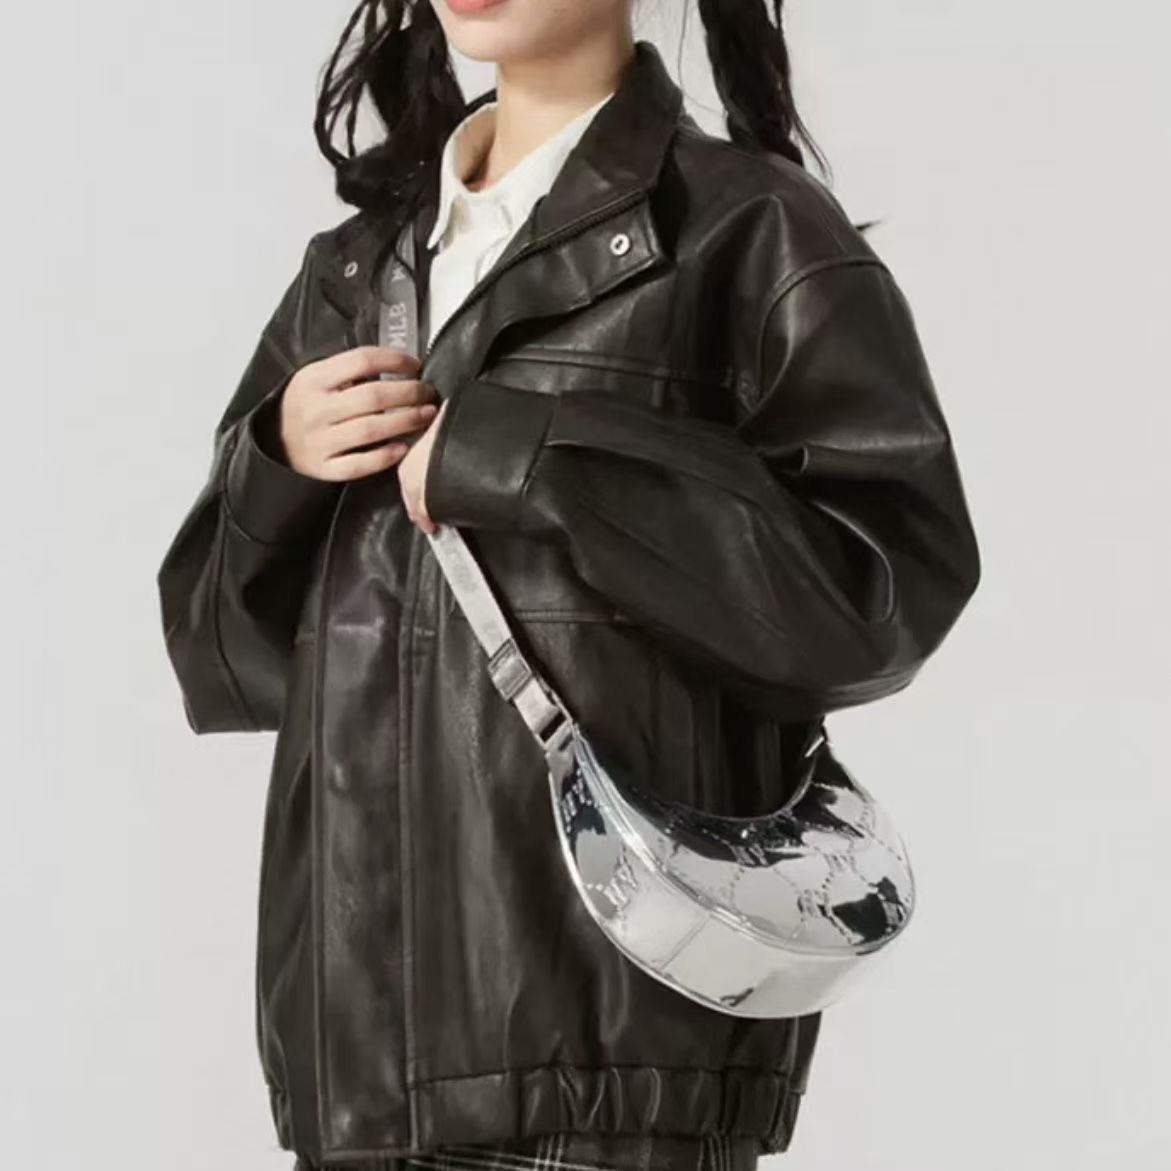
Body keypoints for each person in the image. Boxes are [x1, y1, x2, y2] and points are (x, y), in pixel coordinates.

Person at [156, 2, 982, 1170]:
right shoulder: (354, 271)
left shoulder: (748, 228)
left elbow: (879, 591)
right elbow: (223, 665)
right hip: (358, 1080)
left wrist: (535, 457)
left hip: (607, 1070)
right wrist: (272, 467)